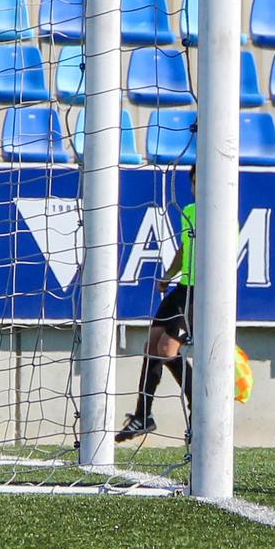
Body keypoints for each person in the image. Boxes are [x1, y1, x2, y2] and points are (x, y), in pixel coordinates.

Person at [116, 165, 194, 443]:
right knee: (152, 346)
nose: (198, 186)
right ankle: (142, 415)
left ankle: (199, 408)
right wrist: (169, 276)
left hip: (202, 292)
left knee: (166, 348)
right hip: (183, 287)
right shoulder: (191, 211)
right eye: (195, 181)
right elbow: (186, 248)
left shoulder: (223, 215)